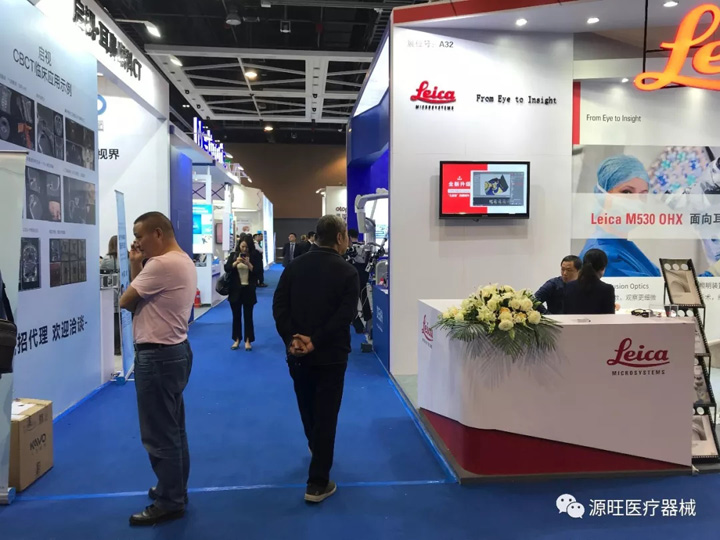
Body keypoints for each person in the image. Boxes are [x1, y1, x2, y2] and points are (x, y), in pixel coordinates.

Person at [272, 215, 359, 503]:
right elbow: (345, 315)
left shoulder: (293, 267)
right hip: (331, 354)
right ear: (339, 238)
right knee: (327, 414)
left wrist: (292, 339)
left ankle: (316, 448)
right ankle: (318, 483)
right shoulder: (348, 271)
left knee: (307, 407)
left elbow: (279, 307)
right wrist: (316, 340)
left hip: (297, 353)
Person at [119, 212, 197, 526]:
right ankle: (174, 489)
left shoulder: (161, 265)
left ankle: (170, 501)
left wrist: (137, 266)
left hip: (158, 357)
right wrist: (137, 264)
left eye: (140, 236)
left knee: (159, 434)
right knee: (173, 429)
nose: (137, 243)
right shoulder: (182, 260)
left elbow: (126, 301)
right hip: (175, 352)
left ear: (158, 233)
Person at [579, 155, 661, 277]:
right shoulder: (604, 257)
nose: (637, 201)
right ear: (603, 195)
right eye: (627, 192)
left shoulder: (621, 246)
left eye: (643, 195)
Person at [225, 235, 263, 351]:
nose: (244, 249)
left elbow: (259, 272)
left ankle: (248, 340)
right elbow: (227, 268)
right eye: (242, 247)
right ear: (239, 245)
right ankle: (236, 339)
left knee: (248, 316)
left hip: (248, 290)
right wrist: (235, 263)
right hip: (235, 290)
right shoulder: (234, 255)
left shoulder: (255, 256)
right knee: (236, 316)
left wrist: (249, 264)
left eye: (246, 247)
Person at [563, 249, 615, 315]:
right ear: (603, 268)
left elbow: (565, 313)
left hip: (572, 322)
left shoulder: (569, 286)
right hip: (598, 322)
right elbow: (609, 317)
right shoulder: (607, 289)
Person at [346, 229, 371, 333]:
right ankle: (369, 324)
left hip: (353, 279)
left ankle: (358, 326)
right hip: (363, 278)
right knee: (365, 300)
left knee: (352, 303)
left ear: (349, 237)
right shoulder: (364, 248)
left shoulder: (352, 249)